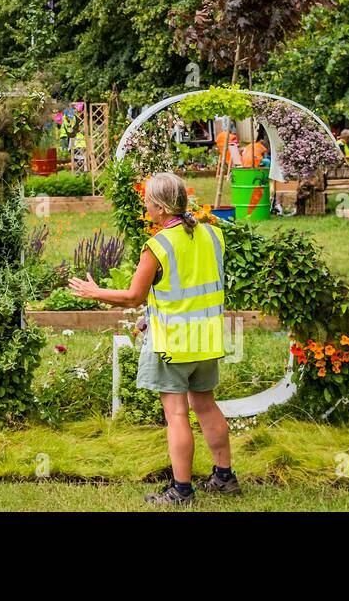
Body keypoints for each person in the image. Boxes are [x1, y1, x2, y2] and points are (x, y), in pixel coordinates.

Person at [68, 172, 238, 505]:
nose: (144, 204)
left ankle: (181, 490)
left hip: (174, 342)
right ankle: (224, 477)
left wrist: (95, 292)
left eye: (147, 199)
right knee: (205, 405)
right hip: (207, 338)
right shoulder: (213, 235)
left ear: (160, 207)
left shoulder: (158, 245)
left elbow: (133, 297)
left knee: (176, 413)